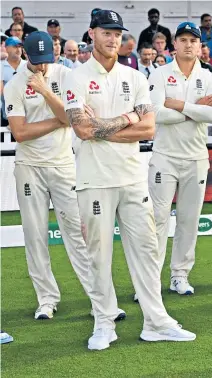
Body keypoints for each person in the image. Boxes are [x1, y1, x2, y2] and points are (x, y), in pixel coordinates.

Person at [63, 9, 195, 350]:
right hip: (94, 180)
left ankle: (156, 321)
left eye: (117, 33)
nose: (112, 38)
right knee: (99, 254)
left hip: (132, 178)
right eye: (105, 32)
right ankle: (104, 322)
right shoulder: (75, 77)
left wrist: (104, 126)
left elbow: (149, 128)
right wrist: (127, 118)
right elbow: (82, 128)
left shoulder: (134, 77)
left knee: (148, 251)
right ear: (91, 33)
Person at [3, 31, 126, 322]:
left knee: (79, 234)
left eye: (48, 60)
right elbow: (20, 133)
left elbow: (74, 119)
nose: (43, 66)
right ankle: (46, 300)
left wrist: (46, 92)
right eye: (38, 61)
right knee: (35, 235)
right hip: (29, 166)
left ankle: (100, 300)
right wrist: (59, 120)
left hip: (63, 165)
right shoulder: (15, 84)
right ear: (25, 54)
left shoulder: (66, 75)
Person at [148, 21, 212, 295]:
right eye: (183, 40)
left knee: (189, 219)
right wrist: (194, 110)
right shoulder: (159, 74)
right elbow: (155, 114)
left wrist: (178, 104)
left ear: (200, 46)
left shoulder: (209, 78)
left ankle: (180, 274)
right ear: (174, 44)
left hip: (196, 158)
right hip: (165, 156)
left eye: (193, 40)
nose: (188, 45)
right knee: (157, 219)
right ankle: (150, 279)